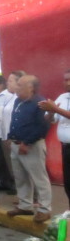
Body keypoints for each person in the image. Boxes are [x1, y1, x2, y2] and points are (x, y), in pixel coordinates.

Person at [7, 75, 52, 222]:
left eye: (20, 85)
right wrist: (11, 137)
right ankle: (25, 206)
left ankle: (45, 209)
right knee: (21, 177)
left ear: (31, 87)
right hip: (16, 144)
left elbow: (43, 126)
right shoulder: (18, 101)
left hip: (31, 146)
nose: (16, 88)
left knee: (39, 178)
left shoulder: (40, 103)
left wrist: (27, 143)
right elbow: (15, 122)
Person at [40, 68, 70, 208]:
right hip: (65, 147)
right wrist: (50, 112)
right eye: (65, 80)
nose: (68, 83)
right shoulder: (62, 97)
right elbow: (50, 119)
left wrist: (55, 109)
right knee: (68, 183)